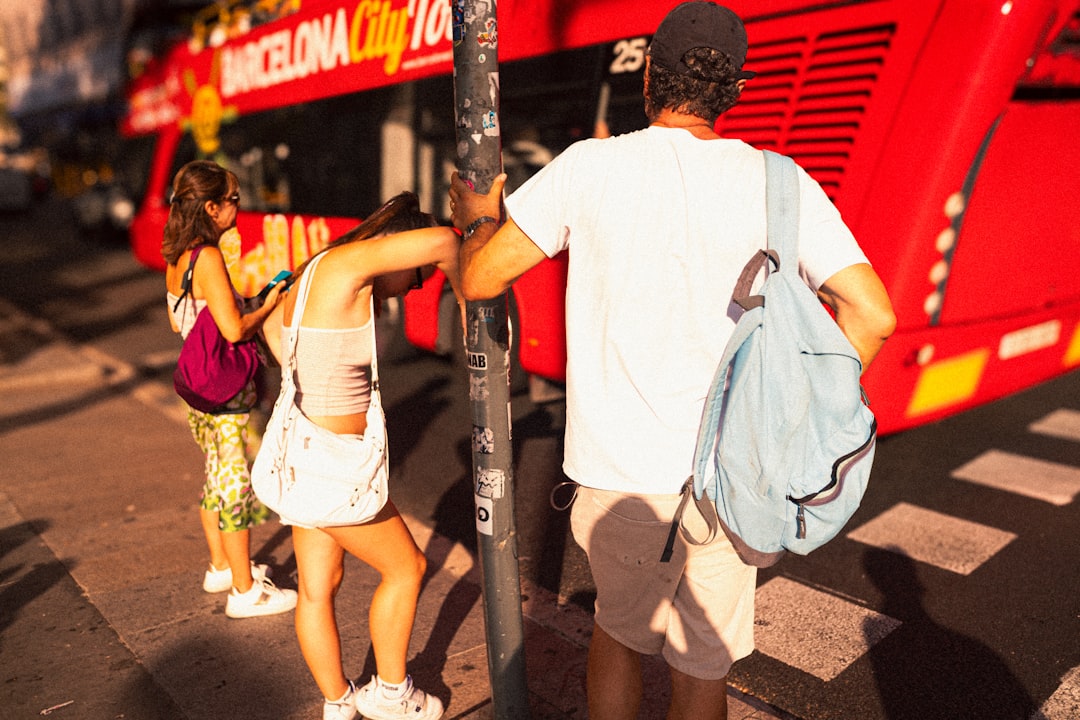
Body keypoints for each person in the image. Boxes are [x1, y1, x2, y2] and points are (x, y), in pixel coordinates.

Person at [449, 3, 897, 719]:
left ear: (649, 72)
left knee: (620, 640)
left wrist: (474, 216)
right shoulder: (784, 183)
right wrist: (801, 417)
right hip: (735, 479)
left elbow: (478, 279)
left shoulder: (590, 167)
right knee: (701, 668)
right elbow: (875, 314)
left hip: (622, 477)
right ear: (737, 90)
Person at [260, 192, 458, 720]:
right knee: (408, 568)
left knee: (317, 588)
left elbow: (267, 329)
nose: (413, 288)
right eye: (415, 278)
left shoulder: (315, 273)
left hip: (301, 455)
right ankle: (392, 695)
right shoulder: (348, 263)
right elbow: (443, 240)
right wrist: (467, 295)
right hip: (333, 465)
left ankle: (338, 703)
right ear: (396, 250)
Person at [162, 159, 298, 618]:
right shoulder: (209, 257)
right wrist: (268, 306)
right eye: (235, 199)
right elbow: (236, 330)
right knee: (235, 483)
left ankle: (221, 565)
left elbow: (182, 320)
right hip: (226, 393)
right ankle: (245, 591)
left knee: (214, 475)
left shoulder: (178, 258)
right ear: (213, 207)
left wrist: (247, 303)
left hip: (198, 390)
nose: (239, 207)